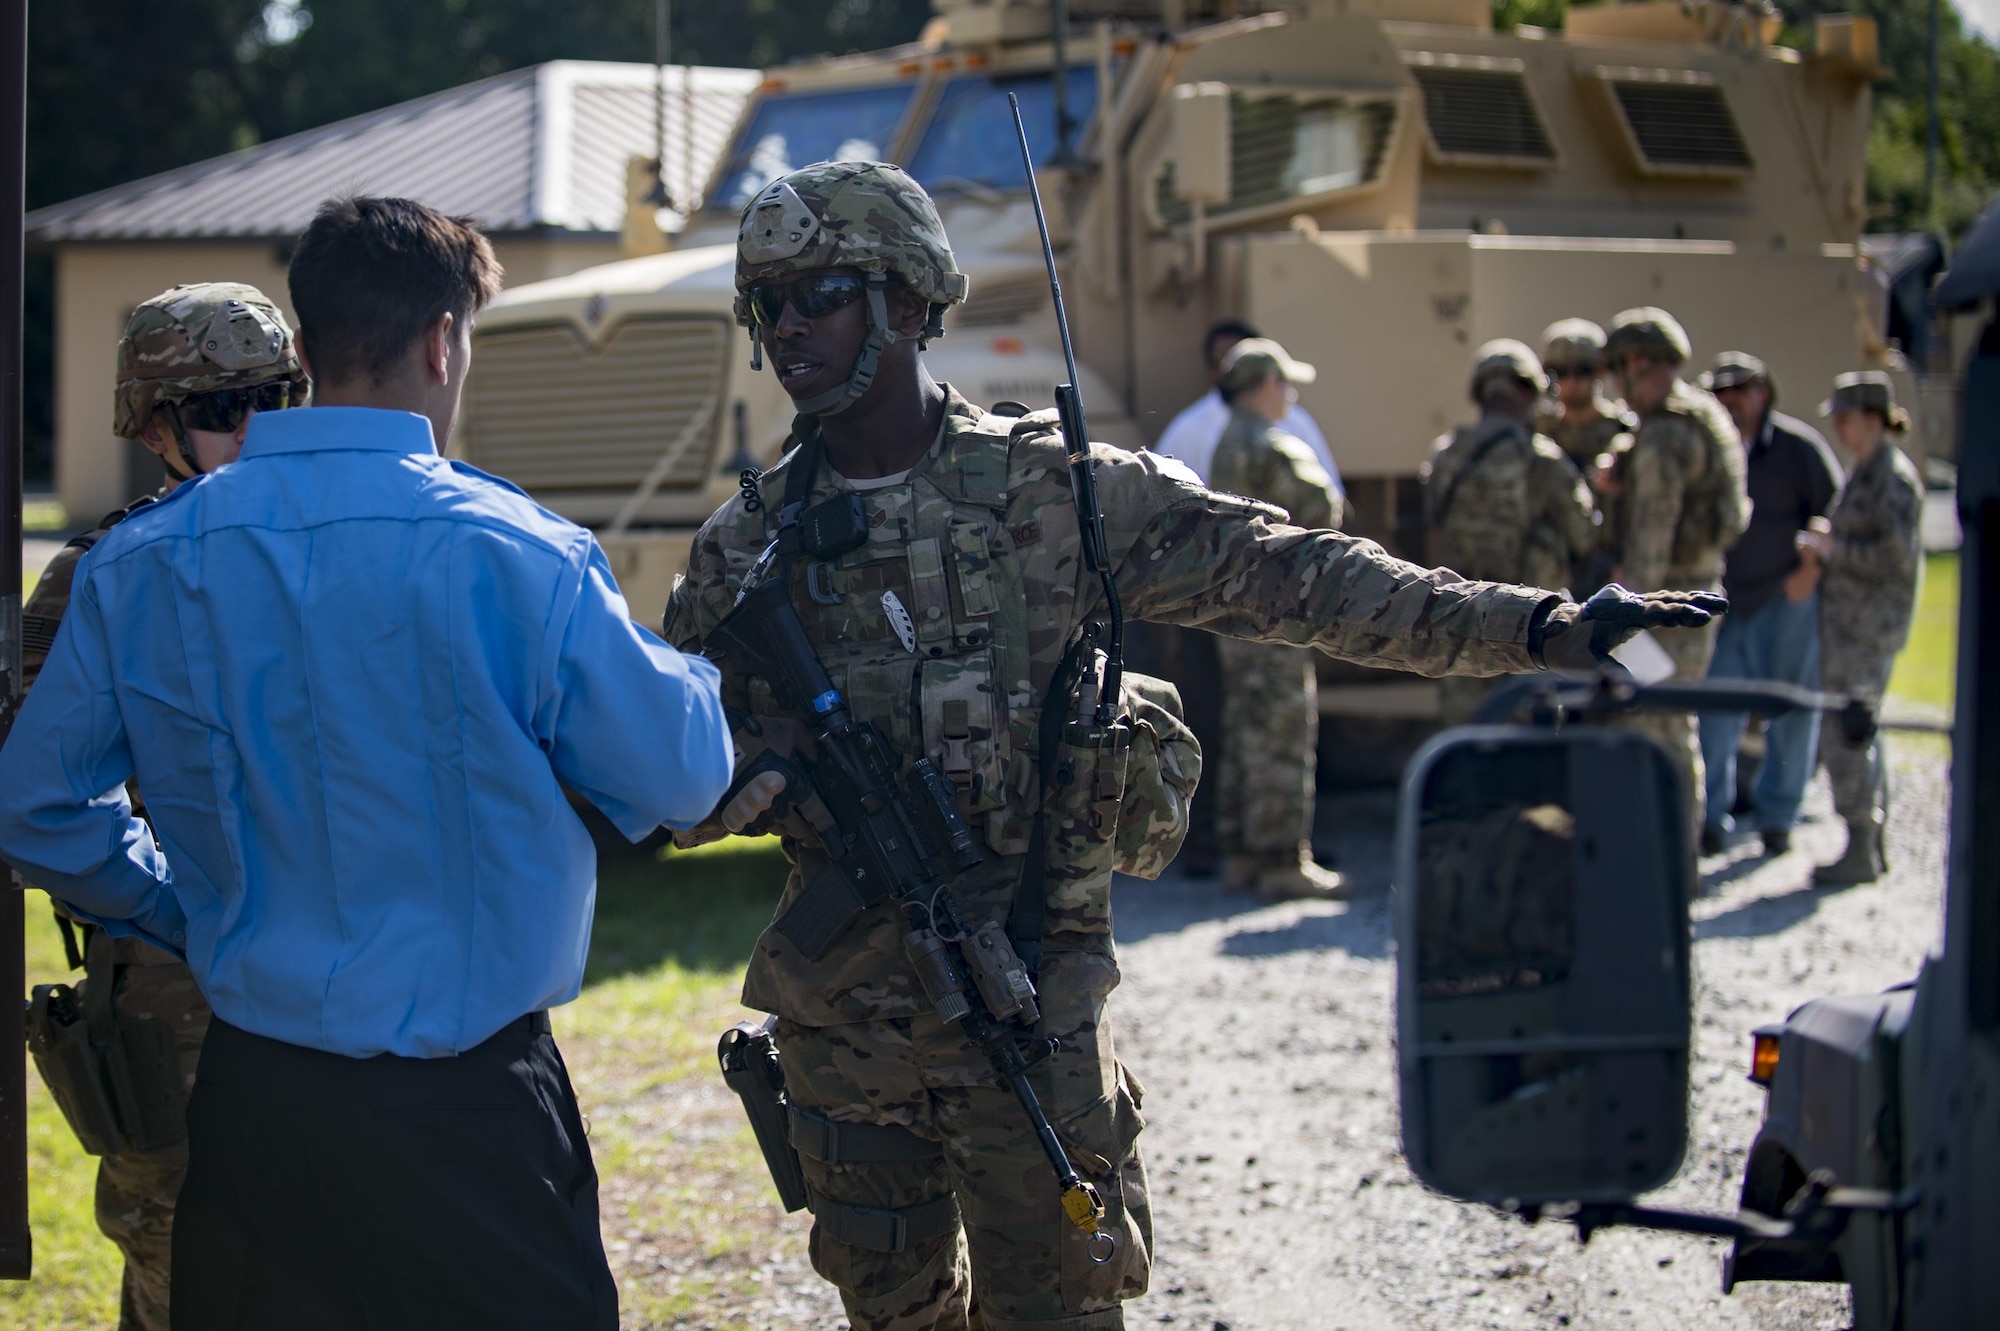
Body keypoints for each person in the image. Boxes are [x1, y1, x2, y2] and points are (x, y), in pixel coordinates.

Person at [660, 160, 1723, 1331]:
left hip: (1025, 1016)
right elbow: (659, 767)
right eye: (770, 304)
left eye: (820, 291)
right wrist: (747, 777)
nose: (790, 325)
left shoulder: (1054, 492)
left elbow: (1294, 573)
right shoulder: (742, 551)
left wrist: (1538, 627)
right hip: (846, 1038)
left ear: (908, 301)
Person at [0, 196, 733, 1329]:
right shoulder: (519, 549)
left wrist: (183, 907)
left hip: (255, 1109)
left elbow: (39, 808)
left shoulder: (140, 562)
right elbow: (685, 777)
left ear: (303, 348)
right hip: (475, 1110)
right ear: (444, 340)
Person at [17, 282, 306, 1331]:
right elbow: (38, 800)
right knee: (187, 1271)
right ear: (150, 425)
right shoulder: (101, 576)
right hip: (182, 1005)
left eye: (275, 398)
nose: (256, 430)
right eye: (225, 409)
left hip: (339, 984)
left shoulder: (346, 546)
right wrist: (181, 903)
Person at [1207, 337, 1347, 900]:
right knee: (1285, 731)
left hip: (1233, 613)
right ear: (1266, 385)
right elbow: (1323, 508)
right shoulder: (1269, 445)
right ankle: (1282, 861)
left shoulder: (1224, 445)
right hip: (1277, 614)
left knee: (1245, 729)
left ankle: (1241, 852)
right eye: (1285, 383)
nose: (1289, 394)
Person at [1603, 307, 1751, 833]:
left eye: (1616, 369)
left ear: (1637, 363)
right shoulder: (1697, 415)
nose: (1615, 385)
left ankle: (1670, 854)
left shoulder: (1667, 438)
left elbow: (1649, 548)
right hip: (1695, 595)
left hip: (1662, 612)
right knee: (1672, 721)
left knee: (1660, 723)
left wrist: (1619, 610)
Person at [1695, 352, 1844, 857]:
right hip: (1720, 600)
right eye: (1722, 392)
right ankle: (1709, 819)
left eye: (1742, 389)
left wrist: (1811, 571)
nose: (1731, 400)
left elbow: (1834, 516)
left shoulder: (1798, 448)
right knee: (1713, 711)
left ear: (1764, 393)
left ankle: (1778, 817)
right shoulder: (1708, 449)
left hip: (1785, 595)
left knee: (1792, 709)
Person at [1421, 339, 1599, 722]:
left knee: (1467, 738)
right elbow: (1585, 535)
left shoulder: (1445, 455)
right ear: (1527, 392)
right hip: (1528, 627)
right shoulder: (1542, 459)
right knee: (1528, 746)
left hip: (1460, 620)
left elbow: (1432, 526)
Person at [1798, 372, 1925, 885]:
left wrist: (1833, 551)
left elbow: (1893, 558)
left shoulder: (1890, 477)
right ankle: (1870, 841)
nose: (1841, 430)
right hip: (1853, 621)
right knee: (1860, 726)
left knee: (1848, 729)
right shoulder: (1867, 471)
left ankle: (1861, 843)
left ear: (1873, 420)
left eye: (1847, 419)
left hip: (1866, 626)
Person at [1151, 318, 1342, 489]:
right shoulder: (1188, 429)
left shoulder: (1297, 422)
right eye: (1220, 359)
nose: (1228, 366)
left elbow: (1331, 492)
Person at [1538, 318, 1632, 594]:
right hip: (1551, 570)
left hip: (1609, 569)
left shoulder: (1624, 431)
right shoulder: (1540, 432)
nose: (1572, 382)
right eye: (1561, 373)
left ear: (1600, 372)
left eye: (1583, 371)